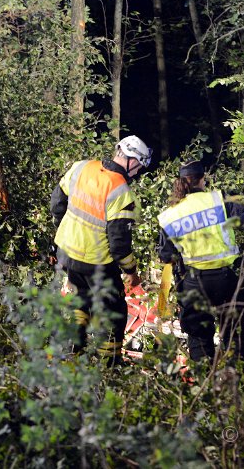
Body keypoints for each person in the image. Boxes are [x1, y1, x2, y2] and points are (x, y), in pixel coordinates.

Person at [157, 160, 244, 363]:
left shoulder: (171, 214)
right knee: (235, 331)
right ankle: (238, 376)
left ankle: (204, 380)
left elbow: (166, 255)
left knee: (199, 335)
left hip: (194, 281)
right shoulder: (218, 202)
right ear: (203, 180)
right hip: (227, 278)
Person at [50, 135, 152, 365]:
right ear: (132, 161)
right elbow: (119, 244)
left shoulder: (82, 167)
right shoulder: (121, 191)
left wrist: (64, 229)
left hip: (67, 252)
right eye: (139, 167)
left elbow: (57, 203)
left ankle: (70, 354)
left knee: (80, 300)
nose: (136, 174)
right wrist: (131, 271)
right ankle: (109, 367)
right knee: (113, 312)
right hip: (96, 262)